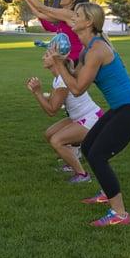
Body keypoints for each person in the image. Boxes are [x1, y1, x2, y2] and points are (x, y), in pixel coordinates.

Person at [50, 2, 130, 227]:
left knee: (97, 155)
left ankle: (120, 214)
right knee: (87, 148)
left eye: (77, 15)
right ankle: (107, 191)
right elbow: (74, 76)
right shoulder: (88, 49)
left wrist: (59, 64)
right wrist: (61, 62)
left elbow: (76, 89)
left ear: (88, 23)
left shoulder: (96, 50)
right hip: (121, 108)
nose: (72, 18)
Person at [26, 50, 104, 183]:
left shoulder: (62, 80)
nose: (42, 57)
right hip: (78, 117)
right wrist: (42, 94)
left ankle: (82, 175)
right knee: (49, 134)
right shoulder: (59, 77)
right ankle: (71, 161)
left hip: (91, 118)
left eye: (46, 55)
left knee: (56, 140)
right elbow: (52, 100)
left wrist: (38, 92)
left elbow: (52, 111)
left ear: (57, 60)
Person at [16, 0, 89, 64]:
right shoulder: (65, 17)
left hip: (74, 59)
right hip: (69, 59)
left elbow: (41, 7)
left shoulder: (69, 14)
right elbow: (39, 13)